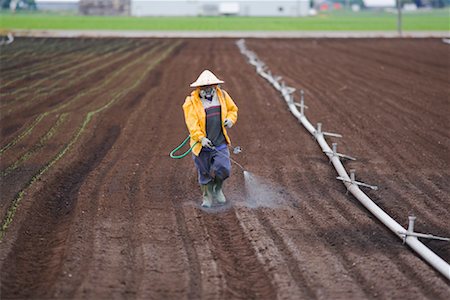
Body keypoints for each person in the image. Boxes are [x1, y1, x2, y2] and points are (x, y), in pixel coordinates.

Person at [182, 70, 238, 208]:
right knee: (204, 171)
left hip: (219, 141)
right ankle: (207, 196)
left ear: (216, 86)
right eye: (205, 87)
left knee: (224, 168)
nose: (208, 89)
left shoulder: (223, 96)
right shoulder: (191, 102)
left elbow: (233, 110)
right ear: (199, 88)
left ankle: (218, 189)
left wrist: (230, 120)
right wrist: (201, 138)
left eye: (211, 86)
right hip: (201, 145)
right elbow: (192, 123)